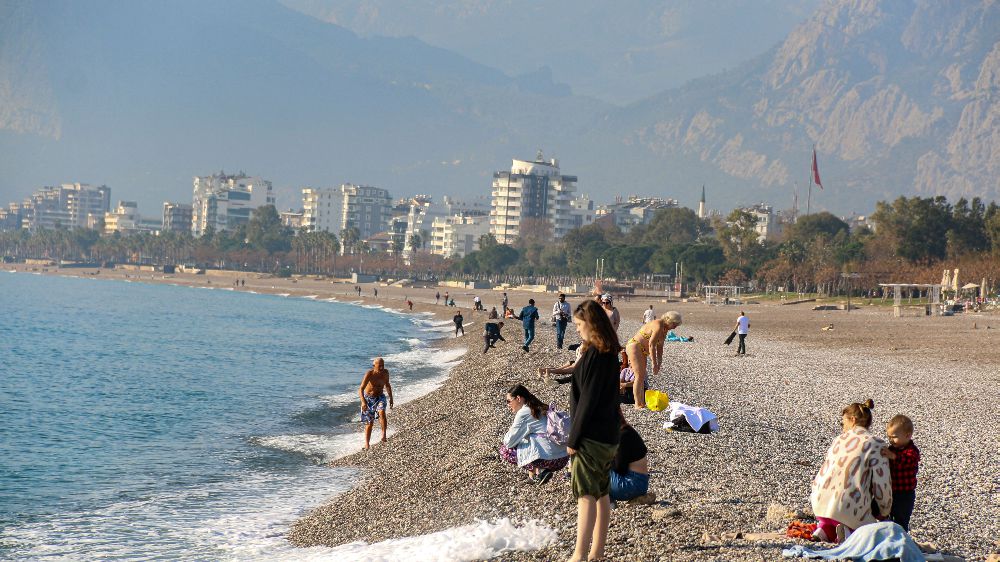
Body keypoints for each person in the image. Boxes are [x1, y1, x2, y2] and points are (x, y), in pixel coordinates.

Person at [566, 300, 621, 562]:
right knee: (601, 492)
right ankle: (596, 552)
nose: (576, 329)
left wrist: (573, 439)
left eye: (578, 324)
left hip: (591, 436)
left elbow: (587, 400)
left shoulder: (596, 355)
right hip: (608, 435)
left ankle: (579, 555)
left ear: (591, 324)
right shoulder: (608, 352)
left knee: (586, 494)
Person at [810, 399, 892, 543]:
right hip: (849, 508)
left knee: (831, 513)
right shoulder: (876, 444)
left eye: (843, 423)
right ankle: (848, 531)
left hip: (819, 503)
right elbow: (882, 484)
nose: (843, 427)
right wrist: (885, 511)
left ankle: (824, 528)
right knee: (871, 532)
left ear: (852, 420)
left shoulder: (838, 440)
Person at [499, 384, 569, 483]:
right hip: (563, 458)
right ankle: (533, 476)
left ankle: (540, 471)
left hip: (550, 460)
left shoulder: (524, 412)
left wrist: (511, 432)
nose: (508, 405)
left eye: (508, 401)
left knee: (505, 450)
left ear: (518, 398)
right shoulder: (540, 406)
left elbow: (509, 442)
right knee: (531, 438)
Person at [624, 311, 682, 409]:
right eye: (674, 324)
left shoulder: (664, 330)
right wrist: (654, 363)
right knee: (639, 376)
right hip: (635, 346)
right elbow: (652, 345)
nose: (675, 326)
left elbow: (660, 348)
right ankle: (637, 404)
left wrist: (659, 363)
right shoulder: (658, 324)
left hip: (642, 350)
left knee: (641, 377)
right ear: (669, 320)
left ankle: (641, 402)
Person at [880, 414, 920, 531]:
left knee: (901, 519)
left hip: (905, 494)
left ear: (907, 435)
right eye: (889, 437)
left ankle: (901, 540)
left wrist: (892, 456)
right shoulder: (892, 448)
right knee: (886, 514)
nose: (891, 440)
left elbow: (907, 460)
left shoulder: (912, 451)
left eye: (894, 437)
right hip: (891, 490)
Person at [610, 409, 649, 502]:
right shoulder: (627, 430)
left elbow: (620, 468)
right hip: (640, 483)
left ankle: (606, 503)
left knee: (593, 472)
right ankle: (607, 501)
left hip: (631, 484)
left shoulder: (623, 436)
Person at [359, 357, 394, 449]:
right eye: (379, 366)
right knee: (369, 423)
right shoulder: (369, 374)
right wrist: (363, 402)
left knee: (382, 412)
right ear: (374, 366)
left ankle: (384, 435)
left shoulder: (386, 373)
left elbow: (387, 385)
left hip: (380, 397)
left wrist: (391, 398)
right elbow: (361, 389)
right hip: (368, 399)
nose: (382, 367)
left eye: (383, 365)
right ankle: (367, 444)